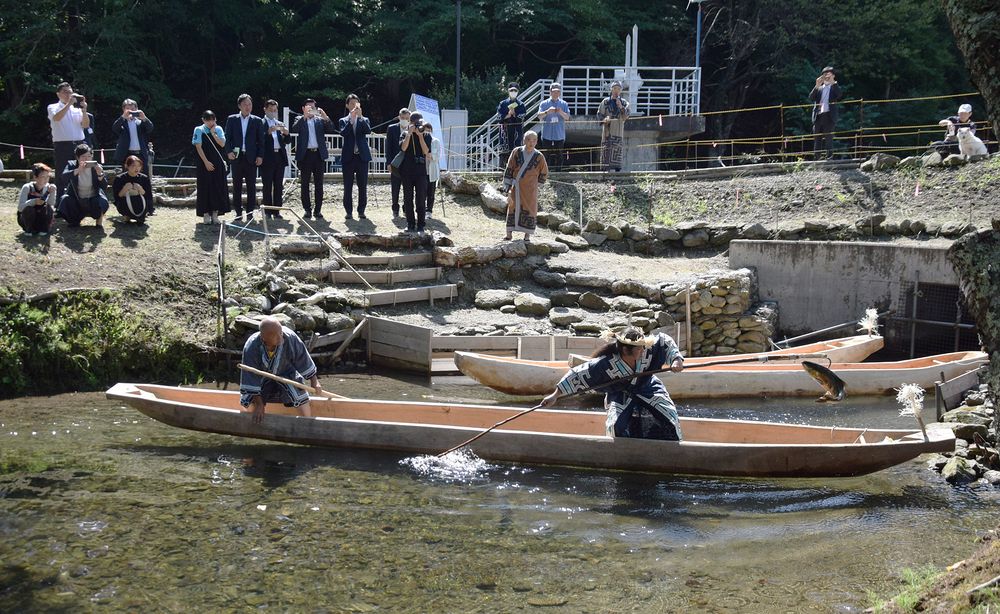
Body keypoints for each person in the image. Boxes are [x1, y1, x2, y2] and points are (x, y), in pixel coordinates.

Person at [540, 328, 684, 441]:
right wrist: (555, 396)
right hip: (621, 395)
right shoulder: (605, 364)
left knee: (669, 418)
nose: (643, 350)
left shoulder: (646, 349)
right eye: (639, 349)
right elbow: (577, 374)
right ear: (625, 350)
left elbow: (666, 341)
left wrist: (676, 359)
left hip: (649, 388)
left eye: (643, 347)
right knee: (615, 427)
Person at [239, 317, 321, 423]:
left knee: (300, 396)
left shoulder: (290, 337)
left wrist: (314, 381)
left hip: (287, 374)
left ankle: (308, 422)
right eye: (275, 335)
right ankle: (253, 421)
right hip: (261, 378)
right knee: (248, 400)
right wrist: (259, 404)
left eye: (280, 332)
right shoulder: (251, 346)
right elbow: (250, 377)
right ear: (264, 338)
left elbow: (303, 358)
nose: (280, 337)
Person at [225, 94, 266, 222]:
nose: (248, 107)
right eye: (245, 104)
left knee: (251, 186)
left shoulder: (257, 120)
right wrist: (228, 152)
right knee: (236, 185)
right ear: (239, 106)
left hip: (251, 157)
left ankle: (249, 212)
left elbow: (261, 141)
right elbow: (227, 138)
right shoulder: (232, 119)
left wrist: (260, 155)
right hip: (237, 156)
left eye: (250, 104)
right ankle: (238, 211)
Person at [501, 130, 548, 242]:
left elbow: (544, 172)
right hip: (516, 187)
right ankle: (509, 234)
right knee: (512, 208)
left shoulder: (539, 156)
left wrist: (537, 184)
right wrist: (507, 185)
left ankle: (527, 236)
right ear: (524, 140)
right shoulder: (516, 152)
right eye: (528, 140)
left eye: (534, 140)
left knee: (530, 210)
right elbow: (510, 168)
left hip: (530, 190)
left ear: (537, 142)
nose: (531, 143)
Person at [292, 99, 333, 220]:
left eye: (313, 107)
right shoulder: (299, 119)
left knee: (319, 184)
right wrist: (304, 116)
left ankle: (318, 210)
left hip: (318, 155)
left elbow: (331, 128)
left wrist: (325, 116)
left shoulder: (319, 120)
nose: (311, 109)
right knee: (304, 184)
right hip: (305, 155)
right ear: (303, 108)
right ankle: (307, 209)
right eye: (308, 107)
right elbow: (294, 129)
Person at [47, 83, 89, 201]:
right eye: (65, 92)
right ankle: (60, 202)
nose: (68, 95)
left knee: (81, 171)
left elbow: (85, 125)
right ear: (58, 94)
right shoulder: (53, 107)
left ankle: (80, 200)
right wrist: (69, 104)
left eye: (70, 92)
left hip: (80, 143)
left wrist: (84, 110)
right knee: (62, 173)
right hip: (62, 145)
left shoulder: (77, 110)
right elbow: (57, 118)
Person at [192, 110, 231, 225]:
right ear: (203, 120)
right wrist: (206, 162)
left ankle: (215, 214)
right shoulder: (198, 130)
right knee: (205, 187)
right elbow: (198, 147)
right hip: (204, 162)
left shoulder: (218, 129)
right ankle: (205, 214)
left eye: (213, 119)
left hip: (217, 163)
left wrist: (214, 133)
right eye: (208, 120)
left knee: (218, 188)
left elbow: (222, 144)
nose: (211, 122)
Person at [338, 93, 372, 220]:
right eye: (351, 104)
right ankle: (348, 211)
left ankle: (361, 210)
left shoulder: (365, 119)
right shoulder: (343, 120)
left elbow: (367, 131)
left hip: (362, 157)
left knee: (362, 186)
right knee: (348, 186)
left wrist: (360, 117)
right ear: (347, 105)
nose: (354, 106)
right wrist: (351, 119)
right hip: (348, 157)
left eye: (356, 103)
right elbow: (343, 133)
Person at [58, 143, 109, 228]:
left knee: (101, 200)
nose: (86, 159)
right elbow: (63, 178)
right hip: (77, 198)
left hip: (93, 197)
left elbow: (104, 186)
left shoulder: (96, 167)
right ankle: (74, 221)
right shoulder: (71, 165)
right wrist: (77, 170)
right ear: (77, 158)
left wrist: (100, 174)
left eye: (89, 156)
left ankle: (99, 223)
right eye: (83, 157)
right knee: (65, 199)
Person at [398, 112, 433, 232]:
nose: (419, 126)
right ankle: (410, 223)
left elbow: (426, 151)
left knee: (421, 198)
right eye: (417, 123)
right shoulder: (404, 134)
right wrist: (409, 134)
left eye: (420, 123)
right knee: (408, 198)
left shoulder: (426, 135)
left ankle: (421, 224)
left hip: (421, 171)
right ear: (411, 123)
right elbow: (403, 148)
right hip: (406, 171)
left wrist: (420, 136)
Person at [261, 99, 291, 220]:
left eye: (275, 110)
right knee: (267, 184)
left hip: (279, 156)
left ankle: (277, 210)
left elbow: (287, 141)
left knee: (278, 185)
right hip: (267, 157)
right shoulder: (261, 123)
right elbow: (258, 140)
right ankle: (268, 210)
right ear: (265, 109)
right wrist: (268, 132)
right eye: (270, 110)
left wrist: (286, 133)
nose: (273, 112)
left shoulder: (279, 123)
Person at [809, 66, 843, 160]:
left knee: (829, 138)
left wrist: (833, 82)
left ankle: (829, 158)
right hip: (818, 116)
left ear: (833, 76)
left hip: (829, 116)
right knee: (817, 139)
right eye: (824, 75)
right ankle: (817, 158)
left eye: (829, 75)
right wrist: (816, 85)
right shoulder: (819, 88)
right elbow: (811, 98)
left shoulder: (834, 88)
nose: (826, 77)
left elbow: (840, 95)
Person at [112, 99, 154, 170]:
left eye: (133, 109)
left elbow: (150, 128)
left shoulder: (141, 122)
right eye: (128, 109)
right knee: (127, 177)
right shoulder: (122, 122)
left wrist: (144, 118)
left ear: (137, 109)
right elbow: (115, 128)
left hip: (141, 154)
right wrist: (123, 117)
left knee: (143, 177)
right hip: (126, 154)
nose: (131, 111)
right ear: (123, 110)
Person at [598, 81, 630, 172]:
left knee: (617, 147)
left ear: (621, 91)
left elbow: (626, 117)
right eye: (615, 88)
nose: (616, 91)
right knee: (606, 147)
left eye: (618, 89)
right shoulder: (605, 102)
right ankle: (604, 168)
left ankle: (617, 168)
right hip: (607, 129)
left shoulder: (624, 103)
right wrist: (604, 119)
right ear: (611, 89)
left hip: (618, 130)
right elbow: (600, 114)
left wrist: (621, 107)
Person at [537, 82, 570, 171]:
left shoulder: (564, 104)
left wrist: (561, 112)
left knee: (559, 155)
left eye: (558, 92)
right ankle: (545, 172)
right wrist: (547, 112)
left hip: (559, 135)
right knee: (546, 155)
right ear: (550, 92)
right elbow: (539, 116)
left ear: (560, 93)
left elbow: (567, 118)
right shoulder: (544, 104)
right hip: (546, 134)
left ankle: (558, 172)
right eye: (554, 91)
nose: (556, 94)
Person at [17, 163, 56, 236]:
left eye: (47, 177)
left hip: (41, 219)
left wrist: (52, 192)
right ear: (35, 177)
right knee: (29, 209)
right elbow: (20, 208)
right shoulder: (27, 187)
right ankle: (29, 230)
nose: (46, 179)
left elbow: (51, 205)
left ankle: (43, 229)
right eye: (43, 177)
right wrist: (34, 201)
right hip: (27, 219)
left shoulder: (49, 187)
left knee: (48, 207)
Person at [112, 155, 153, 225]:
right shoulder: (120, 178)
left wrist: (141, 189)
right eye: (133, 166)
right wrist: (125, 189)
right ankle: (127, 216)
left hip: (141, 203)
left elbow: (148, 195)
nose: (136, 168)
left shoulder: (144, 178)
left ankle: (141, 216)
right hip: (124, 203)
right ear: (127, 166)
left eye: (139, 166)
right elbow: (117, 196)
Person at [385, 108, 410, 217]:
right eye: (403, 118)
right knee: (395, 187)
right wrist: (389, 162)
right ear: (399, 117)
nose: (404, 120)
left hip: (408, 163)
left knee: (408, 187)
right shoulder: (392, 128)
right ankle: (395, 208)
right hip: (395, 162)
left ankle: (406, 208)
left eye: (407, 118)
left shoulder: (412, 129)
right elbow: (388, 147)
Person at [497, 83, 527, 158]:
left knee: (517, 151)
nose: (513, 92)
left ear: (518, 91)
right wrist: (507, 115)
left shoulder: (521, 104)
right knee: (504, 153)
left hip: (517, 129)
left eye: (515, 90)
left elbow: (523, 116)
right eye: (511, 90)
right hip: (505, 130)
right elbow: (498, 117)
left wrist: (515, 114)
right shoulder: (503, 103)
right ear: (508, 91)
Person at [424, 123, 441, 217]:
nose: (427, 132)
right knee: (421, 192)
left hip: (432, 170)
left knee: (431, 192)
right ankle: (421, 210)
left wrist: (430, 155)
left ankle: (429, 211)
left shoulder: (436, 141)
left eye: (429, 130)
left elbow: (437, 156)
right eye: (425, 130)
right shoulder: (420, 140)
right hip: (422, 170)